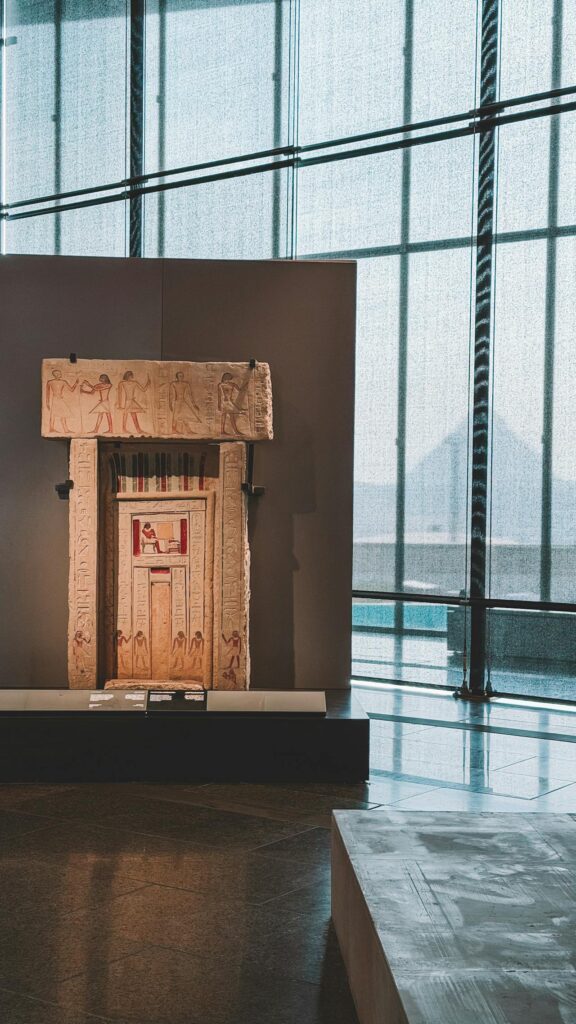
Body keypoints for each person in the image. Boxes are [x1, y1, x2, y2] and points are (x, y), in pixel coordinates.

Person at [46, 368, 78, 433]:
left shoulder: (63, 382)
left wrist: (76, 383)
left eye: (60, 373)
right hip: (55, 399)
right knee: (53, 413)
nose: (60, 374)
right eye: (58, 373)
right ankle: (51, 428)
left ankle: (66, 430)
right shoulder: (50, 382)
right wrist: (47, 402)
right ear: (55, 375)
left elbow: (71, 390)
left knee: (63, 413)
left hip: (60, 399)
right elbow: (47, 392)